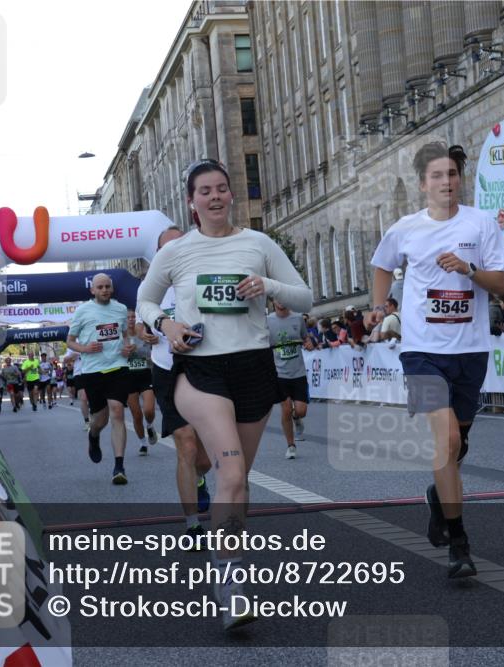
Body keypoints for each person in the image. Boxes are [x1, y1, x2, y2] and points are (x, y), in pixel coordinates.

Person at [136, 158, 312, 630]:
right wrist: (166, 323)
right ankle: (229, 583)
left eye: (221, 189)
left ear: (231, 194)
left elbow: (305, 298)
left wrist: (267, 285)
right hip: (200, 370)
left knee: (237, 483)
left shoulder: (258, 244)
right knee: (231, 470)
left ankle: (225, 551)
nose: (214, 197)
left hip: (254, 367)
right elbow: (146, 300)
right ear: (191, 202)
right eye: (204, 191)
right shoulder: (175, 253)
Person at [364, 141, 504, 579]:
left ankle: (438, 497)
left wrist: (468, 270)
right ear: (422, 184)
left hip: (469, 350)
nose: (446, 182)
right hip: (422, 350)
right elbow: (381, 265)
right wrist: (379, 304)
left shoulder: (480, 223)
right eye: (437, 176)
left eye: (451, 174)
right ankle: (459, 542)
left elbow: (502, 283)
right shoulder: (406, 228)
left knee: (459, 444)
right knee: (447, 441)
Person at [138, 225, 213, 546]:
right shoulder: (150, 287)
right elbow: (141, 326)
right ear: (158, 255)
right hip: (167, 369)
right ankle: (193, 524)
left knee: (206, 457)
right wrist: (145, 334)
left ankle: (199, 478)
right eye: (167, 248)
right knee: (186, 443)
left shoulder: (204, 278)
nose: (175, 252)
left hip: (206, 367)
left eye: (180, 244)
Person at [67, 273, 134, 485]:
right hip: (93, 370)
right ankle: (94, 436)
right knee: (100, 420)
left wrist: (128, 347)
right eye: (100, 287)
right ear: (92, 290)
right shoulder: (82, 311)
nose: (104, 290)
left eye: (107, 286)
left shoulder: (121, 309)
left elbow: (125, 335)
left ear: (112, 289)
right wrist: (85, 348)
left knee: (117, 411)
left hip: (118, 366)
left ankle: (119, 466)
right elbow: (69, 341)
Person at [268, 299, 311, 459]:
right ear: (273, 301)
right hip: (279, 373)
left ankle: (297, 418)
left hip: (298, 372)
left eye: (285, 299)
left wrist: (308, 343)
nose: (282, 302)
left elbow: (305, 338)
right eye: (278, 299)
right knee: (285, 409)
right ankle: (291, 445)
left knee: (301, 411)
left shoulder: (298, 318)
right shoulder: (268, 321)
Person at [126, 309, 158, 456]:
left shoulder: (142, 333)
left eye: (133, 317)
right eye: (128, 317)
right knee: (137, 415)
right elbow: (113, 356)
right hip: (128, 378)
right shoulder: (121, 337)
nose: (131, 319)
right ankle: (143, 444)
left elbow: (151, 354)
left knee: (149, 410)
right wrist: (124, 352)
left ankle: (150, 426)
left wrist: (137, 350)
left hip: (145, 374)